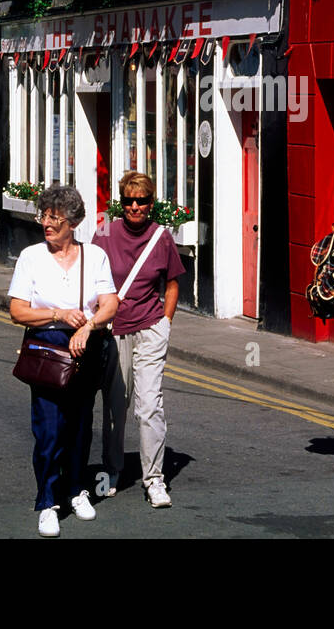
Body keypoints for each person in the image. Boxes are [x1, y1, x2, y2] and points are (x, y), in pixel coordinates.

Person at [8, 185, 117, 538]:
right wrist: (57, 313)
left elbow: (111, 302)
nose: (47, 224)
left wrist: (90, 325)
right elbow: (16, 311)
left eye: (55, 218)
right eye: (44, 216)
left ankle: (75, 490)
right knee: (50, 430)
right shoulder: (31, 257)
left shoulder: (95, 256)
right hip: (48, 347)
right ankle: (47, 502)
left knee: (80, 425)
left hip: (86, 346)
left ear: (73, 221)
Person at [93, 171, 185, 508]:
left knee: (149, 407)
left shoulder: (161, 236)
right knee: (117, 406)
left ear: (151, 203)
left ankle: (155, 481)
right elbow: (92, 275)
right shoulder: (104, 229)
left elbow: (172, 282)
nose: (135, 206)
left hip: (149, 328)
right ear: (121, 202)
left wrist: (166, 322)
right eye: (129, 201)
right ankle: (111, 471)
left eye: (142, 201)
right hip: (114, 329)